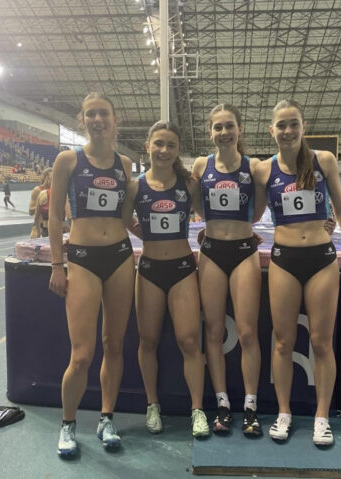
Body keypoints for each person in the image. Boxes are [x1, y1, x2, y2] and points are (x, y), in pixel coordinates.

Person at [254, 99, 341, 446]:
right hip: (284, 259)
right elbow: (251, 214)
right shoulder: (263, 170)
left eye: (293, 124)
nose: (287, 131)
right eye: (281, 125)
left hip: (321, 259)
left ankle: (321, 416)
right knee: (283, 342)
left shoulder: (324, 160)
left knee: (320, 341)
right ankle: (284, 412)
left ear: (303, 127)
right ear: (271, 130)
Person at [48, 92, 135, 458]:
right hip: (83, 259)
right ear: (83, 120)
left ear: (115, 120)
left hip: (120, 257)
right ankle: (68, 424)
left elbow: (127, 218)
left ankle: (106, 418)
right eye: (91, 114)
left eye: (103, 114)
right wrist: (57, 264)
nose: (98, 119)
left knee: (114, 345)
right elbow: (55, 217)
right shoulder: (68, 160)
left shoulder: (125, 164)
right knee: (82, 354)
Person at [122, 121, 210, 438]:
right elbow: (122, 219)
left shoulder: (188, 184)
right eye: (158, 144)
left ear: (177, 151)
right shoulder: (135, 187)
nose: (164, 150)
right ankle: (152, 405)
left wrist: (231, 231)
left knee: (189, 341)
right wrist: (141, 232)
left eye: (171, 145)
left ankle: (197, 410)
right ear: (148, 146)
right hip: (149, 271)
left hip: (182, 269)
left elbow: (211, 214)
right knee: (148, 341)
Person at [191, 104, 265, 437]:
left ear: (239, 129)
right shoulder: (201, 165)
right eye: (217, 127)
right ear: (211, 132)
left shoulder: (254, 166)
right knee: (214, 331)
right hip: (212, 253)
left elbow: (258, 212)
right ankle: (223, 404)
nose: (224, 132)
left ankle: (250, 407)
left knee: (247, 333)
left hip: (244, 252)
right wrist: (212, 226)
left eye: (229, 126)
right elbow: (197, 204)